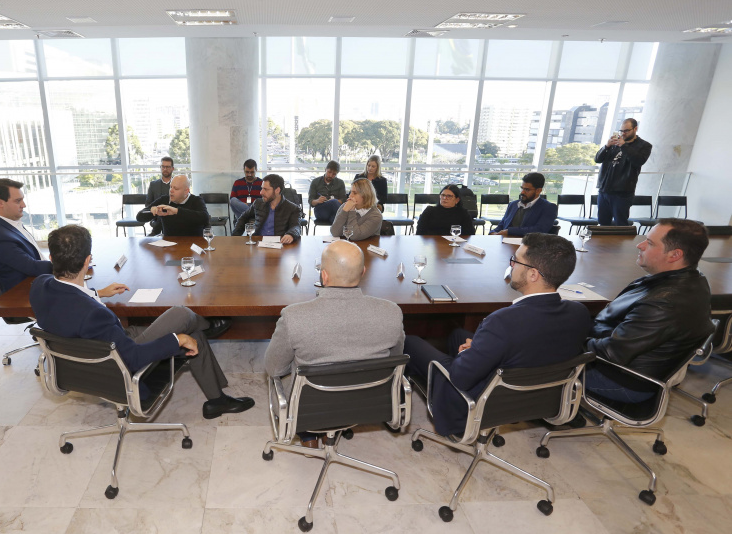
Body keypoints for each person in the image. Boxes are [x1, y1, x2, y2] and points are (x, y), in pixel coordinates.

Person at [30, 225, 254, 419]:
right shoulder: (96, 315)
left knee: (187, 325)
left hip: (79, 366)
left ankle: (217, 398)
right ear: (88, 260)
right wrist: (177, 340)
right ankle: (207, 327)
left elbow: (70, 305)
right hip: (119, 368)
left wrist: (96, 292)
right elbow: (134, 358)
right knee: (182, 317)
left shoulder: (40, 286)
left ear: (51, 259)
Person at [404, 233, 591, 436]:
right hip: (539, 398)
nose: (511, 265)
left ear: (533, 275)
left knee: (411, 342)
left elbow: (460, 378)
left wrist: (472, 353)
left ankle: (404, 410)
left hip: (486, 403)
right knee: (457, 334)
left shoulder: (501, 322)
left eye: (515, 260)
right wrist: (480, 347)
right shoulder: (579, 312)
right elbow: (534, 344)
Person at [264, 240, 404, 446]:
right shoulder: (392, 312)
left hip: (308, 409)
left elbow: (274, 368)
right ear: (363, 272)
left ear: (324, 275)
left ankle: (308, 434)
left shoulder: (294, 316)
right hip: (366, 403)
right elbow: (394, 359)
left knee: (288, 370)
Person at [583, 219, 713, 404]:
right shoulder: (692, 279)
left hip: (623, 381)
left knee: (538, 352)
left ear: (675, 255)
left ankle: (550, 407)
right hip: (626, 365)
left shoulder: (664, 302)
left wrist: (569, 339)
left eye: (650, 243)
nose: (640, 245)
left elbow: (612, 353)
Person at [0, 178, 53, 292]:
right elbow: (32, 267)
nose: (23, 205)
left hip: (38, 280)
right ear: (0, 202)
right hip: (26, 291)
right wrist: (70, 264)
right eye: (18, 201)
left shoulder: (8, 223)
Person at [595, 118, 653, 226]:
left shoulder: (644, 145)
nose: (623, 133)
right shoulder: (614, 144)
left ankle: (619, 244)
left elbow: (638, 161)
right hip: (604, 190)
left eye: (626, 131)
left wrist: (624, 145)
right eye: (621, 131)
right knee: (602, 223)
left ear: (635, 129)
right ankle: (603, 243)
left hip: (622, 192)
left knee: (621, 224)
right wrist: (607, 146)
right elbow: (597, 159)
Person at [234, 174, 302, 244]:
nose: (261, 192)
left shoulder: (292, 208)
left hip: (279, 245)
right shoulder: (258, 203)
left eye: (265, 189)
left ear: (277, 190)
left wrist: (291, 234)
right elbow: (243, 217)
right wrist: (235, 237)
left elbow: (296, 227)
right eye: (262, 188)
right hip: (258, 244)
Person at [137, 175, 210, 237]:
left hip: (193, 245)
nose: (171, 190)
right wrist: (151, 211)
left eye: (175, 188)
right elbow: (139, 217)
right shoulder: (164, 200)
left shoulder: (196, 200)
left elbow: (204, 218)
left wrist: (176, 211)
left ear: (186, 191)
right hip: (169, 245)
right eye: (170, 187)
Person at [489, 172, 558, 237]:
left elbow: (539, 230)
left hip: (529, 246)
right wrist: (493, 232)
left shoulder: (548, 208)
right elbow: (502, 225)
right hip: (505, 243)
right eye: (522, 188)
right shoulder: (513, 204)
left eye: (527, 190)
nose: (522, 192)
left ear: (538, 191)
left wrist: (509, 231)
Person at [145, 157, 175, 236]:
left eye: (168, 167)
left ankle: (154, 232)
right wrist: (155, 209)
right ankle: (156, 232)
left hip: (173, 215)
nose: (165, 169)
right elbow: (148, 204)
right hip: (157, 216)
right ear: (160, 168)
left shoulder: (177, 184)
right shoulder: (153, 184)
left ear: (172, 168)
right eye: (163, 166)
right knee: (161, 216)